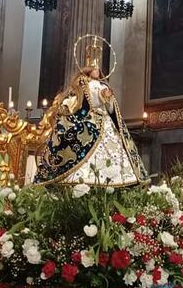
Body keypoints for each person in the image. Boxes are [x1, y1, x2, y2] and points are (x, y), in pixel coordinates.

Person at [34, 36, 149, 187]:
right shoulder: (82, 84)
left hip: (105, 122)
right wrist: (101, 97)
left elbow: (111, 109)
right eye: (94, 69)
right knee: (85, 148)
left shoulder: (102, 85)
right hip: (89, 120)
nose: (97, 71)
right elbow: (83, 101)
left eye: (98, 69)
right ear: (88, 70)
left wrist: (108, 99)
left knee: (114, 154)